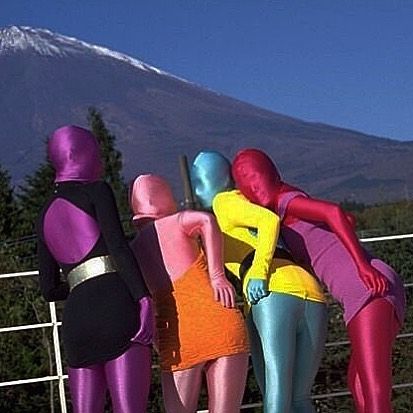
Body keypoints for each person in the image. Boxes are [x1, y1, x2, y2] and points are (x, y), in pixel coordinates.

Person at [231, 148, 406, 413]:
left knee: (374, 390)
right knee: (359, 385)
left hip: (367, 289)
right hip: (372, 288)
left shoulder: (285, 201)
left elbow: (335, 213)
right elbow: (348, 219)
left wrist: (361, 266)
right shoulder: (285, 214)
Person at [190, 150, 328, 413]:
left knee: (276, 396)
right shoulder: (252, 203)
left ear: (219, 180)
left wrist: (259, 271)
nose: (197, 192)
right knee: (300, 399)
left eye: (200, 180)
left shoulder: (224, 202)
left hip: (271, 294)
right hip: (313, 294)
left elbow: (268, 222)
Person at [36, 125, 153, 413]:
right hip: (115, 309)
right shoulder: (97, 190)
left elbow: (48, 289)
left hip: (77, 322)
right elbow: (119, 248)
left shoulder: (44, 211)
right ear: (83, 155)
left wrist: (81, 284)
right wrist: (143, 298)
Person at [129, 174, 249, 413]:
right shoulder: (177, 221)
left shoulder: (133, 250)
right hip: (219, 315)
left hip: (176, 336)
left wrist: (154, 339)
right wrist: (217, 275)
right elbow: (206, 220)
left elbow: (145, 301)